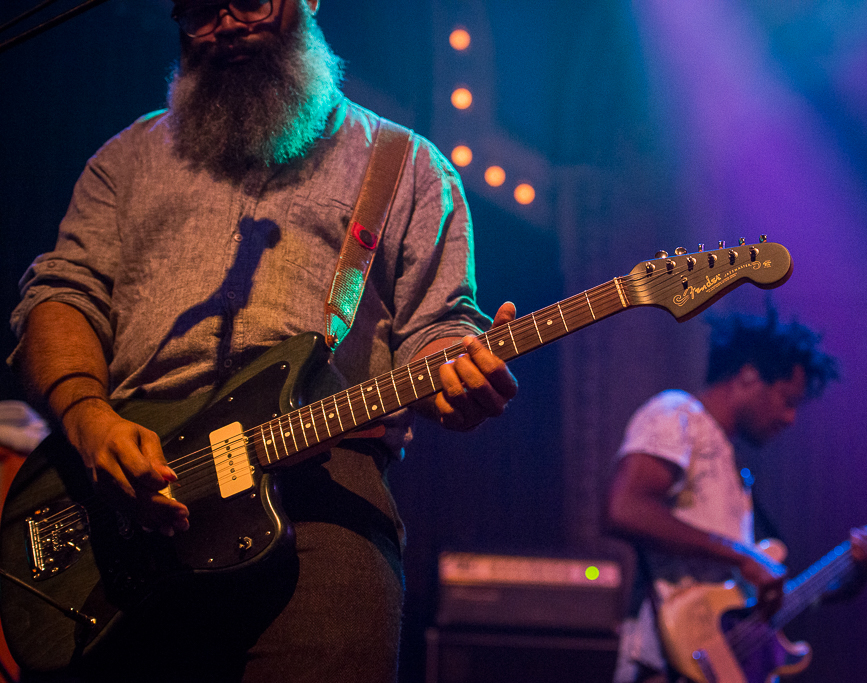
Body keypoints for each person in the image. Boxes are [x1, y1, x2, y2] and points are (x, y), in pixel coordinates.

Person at [7, 1, 517, 681]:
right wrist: (89, 420)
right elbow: (60, 297)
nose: (226, 24)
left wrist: (454, 371)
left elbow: (439, 326)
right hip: (130, 505)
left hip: (320, 498)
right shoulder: (125, 160)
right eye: (199, 10)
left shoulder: (408, 166)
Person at [603, 309, 867, 683]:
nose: (790, 418)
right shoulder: (677, 413)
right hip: (667, 662)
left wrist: (846, 584)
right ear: (748, 376)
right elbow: (625, 508)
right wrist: (742, 556)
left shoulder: (734, 471)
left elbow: (746, 604)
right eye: (786, 399)